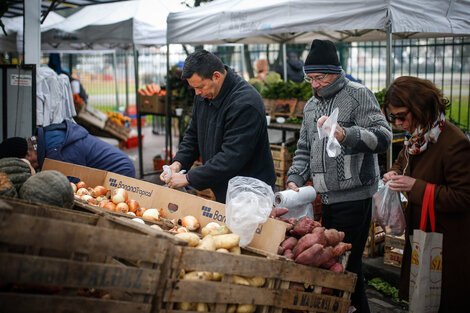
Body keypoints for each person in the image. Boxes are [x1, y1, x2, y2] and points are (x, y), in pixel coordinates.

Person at [286, 39, 392, 313]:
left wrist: (346, 134)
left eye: (319, 78)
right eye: (310, 78)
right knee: (339, 269)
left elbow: (383, 137)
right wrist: (295, 178)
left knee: (348, 268)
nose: (314, 84)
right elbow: (304, 147)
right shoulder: (311, 106)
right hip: (325, 197)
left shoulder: (358, 95)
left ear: (336, 72)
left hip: (355, 197)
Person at [382, 76, 470, 312]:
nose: (398, 123)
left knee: (444, 298)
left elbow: (463, 198)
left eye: (401, 116)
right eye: (393, 117)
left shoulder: (453, 142)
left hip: (447, 241)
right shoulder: (417, 138)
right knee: (424, 297)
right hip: (421, 231)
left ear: (420, 107)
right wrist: (393, 173)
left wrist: (414, 186)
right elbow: (402, 162)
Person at [160, 50, 276, 203]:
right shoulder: (204, 95)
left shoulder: (246, 103)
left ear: (216, 76)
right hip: (224, 185)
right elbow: (193, 135)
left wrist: (189, 178)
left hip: (250, 191)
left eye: (200, 87)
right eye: (193, 88)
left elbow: (231, 156)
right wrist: (178, 163)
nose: (197, 93)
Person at [0, 120, 135, 178]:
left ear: (28, 155)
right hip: (117, 165)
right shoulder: (48, 138)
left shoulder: (57, 154)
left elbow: (73, 186)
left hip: (119, 171)